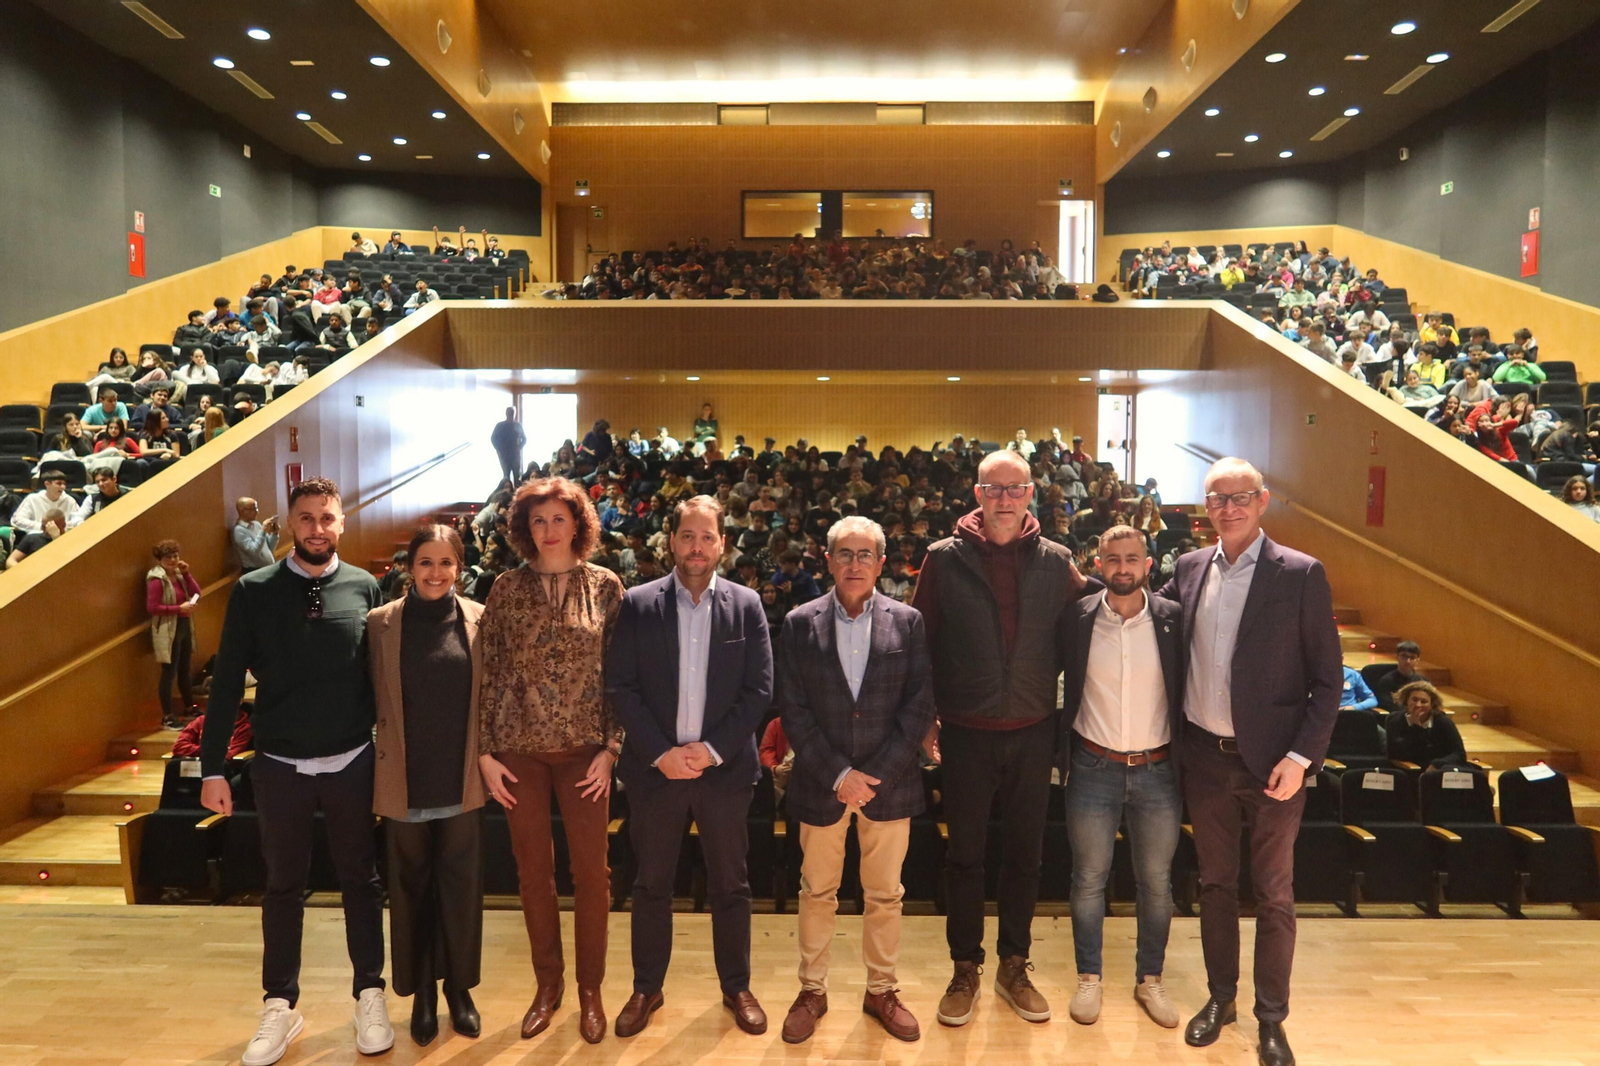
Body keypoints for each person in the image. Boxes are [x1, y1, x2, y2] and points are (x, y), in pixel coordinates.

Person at [199, 477, 391, 1066]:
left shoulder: (366, 586)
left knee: (361, 880)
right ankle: (280, 1003)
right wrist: (212, 769)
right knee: (282, 886)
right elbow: (228, 683)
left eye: (327, 518)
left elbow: (381, 685)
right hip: (279, 765)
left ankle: (369, 992)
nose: (317, 529)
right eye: (306, 518)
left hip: (353, 760)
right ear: (290, 524)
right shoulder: (253, 590)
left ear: (341, 523)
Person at [1155, 457, 1341, 1066]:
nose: (1228, 508)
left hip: (1274, 767)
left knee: (1274, 894)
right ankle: (1220, 998)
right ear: (1204, 507)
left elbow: (1327, 682)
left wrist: (1301, 757)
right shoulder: (1187, 569)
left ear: (1262, 501)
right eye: (1217, 498)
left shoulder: (1301, 573)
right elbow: (1134, 615)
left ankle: (1272, 1018)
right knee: (1213, 885)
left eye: (1239, 497)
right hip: (1204, 758)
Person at [910, 449, 1091, 1028]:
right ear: (977, 493)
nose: (1005, 499)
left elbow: (1091, 630)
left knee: (1025, 857)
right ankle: (966, 966)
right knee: (964, 857)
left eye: (1015, 489)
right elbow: (921, 647)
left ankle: (1015, 963)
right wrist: (927, 716)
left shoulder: (1057, 561)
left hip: (1034, 732)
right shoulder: (942, 560)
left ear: (1031, 492)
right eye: (995, 488)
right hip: (966, 733)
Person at [604, 495, 774, 1039]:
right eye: (687, 536)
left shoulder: (747, 605)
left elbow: (759, 691)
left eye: (707, 537)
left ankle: (736, 986)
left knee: (732, 885)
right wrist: (661, 753)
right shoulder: (637, 602)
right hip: (656, 772)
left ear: (722, 543)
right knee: (651, 884)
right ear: (671, 540)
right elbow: (621, 686)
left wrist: (711, 750)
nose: (696, 547)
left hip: (723, 772)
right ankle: (646, 987)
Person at [775, 516, 935, 1044]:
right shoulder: (799, 622)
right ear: (828, 560)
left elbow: (918, 707)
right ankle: (812, 990)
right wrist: (840, 774)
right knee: (816, 891)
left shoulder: (907, 622)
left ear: (881, 563)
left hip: (889, 784)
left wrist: (875, 774)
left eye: (865, 554)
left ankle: (882, 990)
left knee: (885, 895)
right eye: (844, 554)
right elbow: (793, 711)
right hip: (823, 782)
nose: (854, 564)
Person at [476, 478, 624, 1044]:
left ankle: (591, 990)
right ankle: (548, 985)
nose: (548, 530)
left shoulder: (606, 586)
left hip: (588, 753)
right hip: (519, 753)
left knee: (592, 876)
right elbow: (488, 672)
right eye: (538, 520)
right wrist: (485, 752)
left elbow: (620, 677)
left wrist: (612, 748)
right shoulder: (506, 589)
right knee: (533, 874)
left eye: (558, 519)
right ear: (524, 528)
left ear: (577, 523)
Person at [1058, 525, 1184, 1029]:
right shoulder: (1077, 617)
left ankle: (1149, 979)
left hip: (1159, 770)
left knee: (1156, 882)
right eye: (1113, 559)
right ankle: (1089, 976)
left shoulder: (1173, 620)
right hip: (1092, 766)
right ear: (1098, 563)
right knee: (1088, 879)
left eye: (1132, 558)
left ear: (1148, 564)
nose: (1123, 568)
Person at [368, 524, 486, 1046]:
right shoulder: (380, 624)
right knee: (409, 890)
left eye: (446, 563)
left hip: (461, 777)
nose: (436, 573)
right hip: (404, 778)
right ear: (408, 567)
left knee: (460, 889)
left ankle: (459, 989)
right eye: (425, 563)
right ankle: (421, 994)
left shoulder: (482, 620)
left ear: (459, 568)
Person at [147, 540, 202, 729]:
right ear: (159, 560)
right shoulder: (156, 580)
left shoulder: (179, 574)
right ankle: (168, 716)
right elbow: (153, 607)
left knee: (184, 668)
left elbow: (196, 592)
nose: (172, 560)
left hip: (184, 624)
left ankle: (189, 707)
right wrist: (179, 608)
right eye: (168, 557)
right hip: (168, 629)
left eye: (175, 556)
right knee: (169, 672)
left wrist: (187, 573)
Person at [1385, 680, 1467, 769]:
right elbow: (1396, 755)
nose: (1418, 705)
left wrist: (1436, 764)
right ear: (1407, 700)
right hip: (1409, 770)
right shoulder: (1394, 721)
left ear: (1431, 705)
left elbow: (1459, 754)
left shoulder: (1443, 722)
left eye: (1424, 702)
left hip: (1439, 769)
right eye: (1414, 699)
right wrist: (1416, 727)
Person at [11, 471, 76, 535]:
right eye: (59, 483)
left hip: (63, 536)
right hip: (38, 536)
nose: (63, 487)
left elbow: (78, 520)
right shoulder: (32, 499)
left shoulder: (69, 500)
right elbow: (17, 520)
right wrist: (42, 526)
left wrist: (59, 527)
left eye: (64, 484)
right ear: (47, 484)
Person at [1370, 641, 1425, 712]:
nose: (1408, 661)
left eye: (1412, 657)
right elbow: (1388, 704)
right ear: (1397, 657)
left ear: (1417, 660)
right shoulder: (1386, 681)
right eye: (1404, 656)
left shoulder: (1423, 682)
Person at [232, 497, 279, 573]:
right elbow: (254, 551)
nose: (257, 512)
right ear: (242, 511)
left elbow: (270, 548)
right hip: (254, 571)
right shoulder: (239, 530)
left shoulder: (256, 524)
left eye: (256, 508)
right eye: (253, 509)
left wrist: (275, 534)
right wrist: (263, 530)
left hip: (267, 568)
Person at [490, 407, 526, 486]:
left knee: (517, 475)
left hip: (515, 454)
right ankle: (507, 493)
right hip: (504, 454)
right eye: (510, 412)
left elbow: (524, 439)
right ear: (506, 413)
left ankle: (517, 493)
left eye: (512, 412)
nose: (511, 414)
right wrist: (499, 449)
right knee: (506, 475)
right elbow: (493, 438)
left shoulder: (518, 425)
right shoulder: (500, 425)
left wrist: (519, 447)